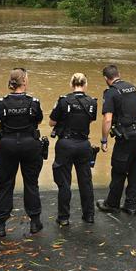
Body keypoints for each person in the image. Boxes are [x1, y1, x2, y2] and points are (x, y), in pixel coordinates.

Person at [0, 68, 45, 237]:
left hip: (7, 145)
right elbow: (39, 119)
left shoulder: (2, 102)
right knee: (31, 183)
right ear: (24, 82)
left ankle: (0, 225)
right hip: (30, 144)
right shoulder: (33, 102)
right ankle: (35, 223)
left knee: (5, 184)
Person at [96, 64, 136, 216]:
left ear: (106, 79)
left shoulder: (111, 93)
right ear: (119, 74)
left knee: (119, 170)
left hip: (128, 136)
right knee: (135, 168)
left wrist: (104, 140)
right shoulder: (132, 87)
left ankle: (112, 204)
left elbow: (107, 119)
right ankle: (131, 206)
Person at [49, 73, 98, 225]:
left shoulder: (63, 101)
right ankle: (89, 215)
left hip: (65, 144)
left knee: (64, 182)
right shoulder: (92, 102)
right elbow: (91, 119)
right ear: (85, 84)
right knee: (86, 182)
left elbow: (51, 122)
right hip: (83, 144)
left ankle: (64, 218)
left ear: (71, 84)